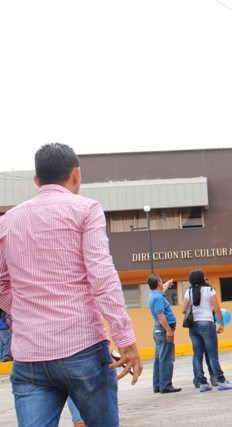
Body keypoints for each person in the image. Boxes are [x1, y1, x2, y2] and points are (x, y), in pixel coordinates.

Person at [0, 142, 142, 426]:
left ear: (37, 181)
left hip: (29, 356)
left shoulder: (8, 220)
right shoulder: (86, 210)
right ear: (76, 175)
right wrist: (125, 339)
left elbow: (2, 283)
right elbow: (101, 277)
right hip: (83, 347)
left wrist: (23, 312)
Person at [182, 269, 232, 391]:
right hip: (207, 324)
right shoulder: (209, 290)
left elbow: (183, 310)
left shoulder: (188, 291)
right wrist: (221, 324)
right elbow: (217, 308)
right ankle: (221, 381)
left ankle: (202, 383)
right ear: (202, 278)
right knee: (212, 355)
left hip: (193, 326)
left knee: (197, 355)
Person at [148, 274, 181, 394]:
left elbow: (164, 288)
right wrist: (168, 330)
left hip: (158, 330)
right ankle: (166, 385)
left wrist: (167, 283)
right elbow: (160, 314)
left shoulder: (154, 295)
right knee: (166, 358)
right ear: (158, 283)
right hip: (163, 330)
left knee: (159, 358)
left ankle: (158, 385)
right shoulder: (159, 298)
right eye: (162, 282)